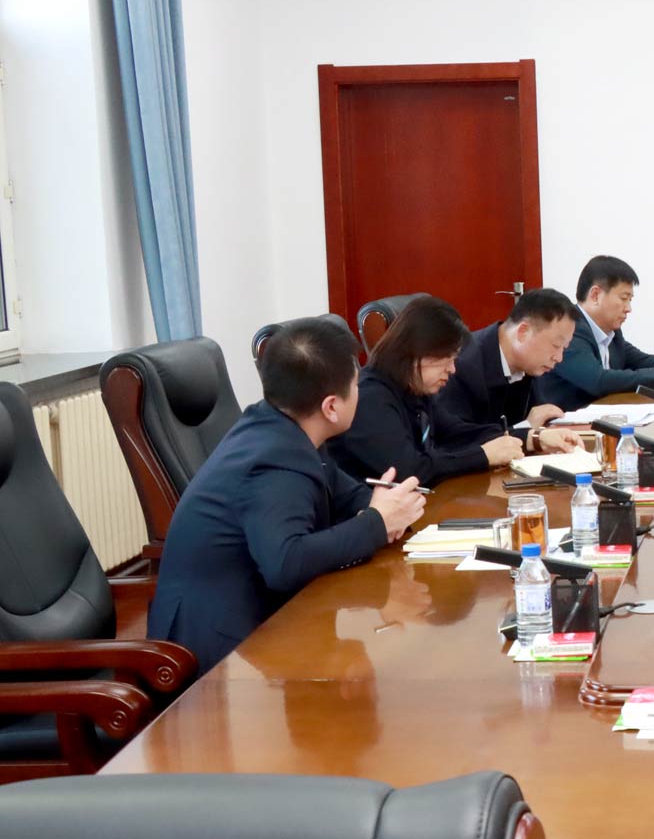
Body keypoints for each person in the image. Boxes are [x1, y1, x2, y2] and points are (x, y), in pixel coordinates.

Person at [147, 316, 427, 675]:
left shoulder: (286, 426)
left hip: (261, 618)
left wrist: (385, 507)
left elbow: (349, 495)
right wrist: (376, 523)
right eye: (356, 384)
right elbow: (286, 562)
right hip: (218, 655)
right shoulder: (274, 460)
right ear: (331, 407)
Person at [328, 296, 523, 487]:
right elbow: (409, 471)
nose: (452, 369)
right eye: (446, 359)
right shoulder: (369, 398)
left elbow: (457, 433)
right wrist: (482, 456)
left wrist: (526, 437)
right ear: (415, 353)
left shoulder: (413, 389)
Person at [432, 288, 582, 453]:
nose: (559, 358)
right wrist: (527, 429)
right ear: (523, 332)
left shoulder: (529, 365)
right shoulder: (460, 367)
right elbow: (459, 443)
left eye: (564, 348)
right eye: (555, 345)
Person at [537, 255, 654, 410]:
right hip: (565, 422)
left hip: (603, 416)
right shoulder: (570, 328)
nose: (628, 308)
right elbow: (598, 380)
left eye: (630, 300)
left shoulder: (611, 332)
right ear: (595, 295)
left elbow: (641, 360)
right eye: (624, 298)